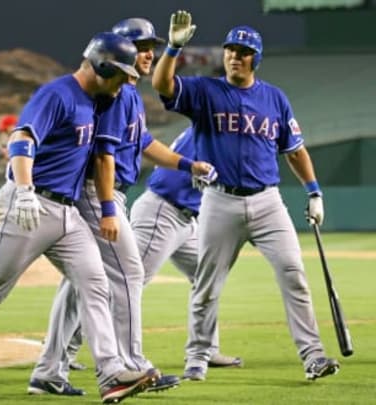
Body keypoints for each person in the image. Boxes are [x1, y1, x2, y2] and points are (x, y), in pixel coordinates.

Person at [0, 31, 158, 404]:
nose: (124, 86)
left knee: (96, 284)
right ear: (103, 66)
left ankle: (112, 373)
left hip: (68, 214)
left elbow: (106, 154)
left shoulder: (98, 102)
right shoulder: (57, 94)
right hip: (29, 207)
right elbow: (21, 139)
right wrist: (22, 190)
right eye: (122, 76)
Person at [28, 18, 214, 396]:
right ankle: (131, 365)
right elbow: (104, 158)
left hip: (103, 194)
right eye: (142, 47)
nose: (149, 54)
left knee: (80, 284)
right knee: (128, 273)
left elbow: (144, 143)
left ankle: (49, 369)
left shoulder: (127, 94)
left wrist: (186, 164)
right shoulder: (114, 95)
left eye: (151, 47)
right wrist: (110, 207)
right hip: (99, 193)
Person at [152, 11, 339, 382]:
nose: (235, 56)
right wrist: (173, 47)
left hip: (268, 202)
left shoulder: (274, 98)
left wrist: (314, 191)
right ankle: (197, 358)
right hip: (220, 201)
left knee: (294, 275)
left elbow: (295, 150)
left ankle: (313, 356)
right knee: (207, 284)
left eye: (244, 51)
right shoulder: (206, 91)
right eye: (231, 49)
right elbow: (164, 84)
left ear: (257, 58)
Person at [130, 126, 242, 368]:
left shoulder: (217, 130)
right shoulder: (209, 130)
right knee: (128, 283)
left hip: (186, 219)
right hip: (162, 212)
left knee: (207, 277)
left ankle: (206, 350)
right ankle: (68, 345)